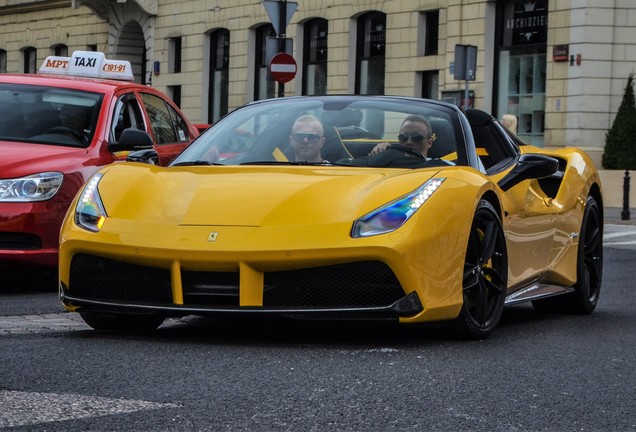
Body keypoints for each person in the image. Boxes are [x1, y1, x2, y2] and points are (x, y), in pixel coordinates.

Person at [369, 114, 433, 157]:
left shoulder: (436, 167)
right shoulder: (389, 161)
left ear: (429, 143)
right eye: (403, 138)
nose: (409, 142)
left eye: (416, 138)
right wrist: (377, 156)